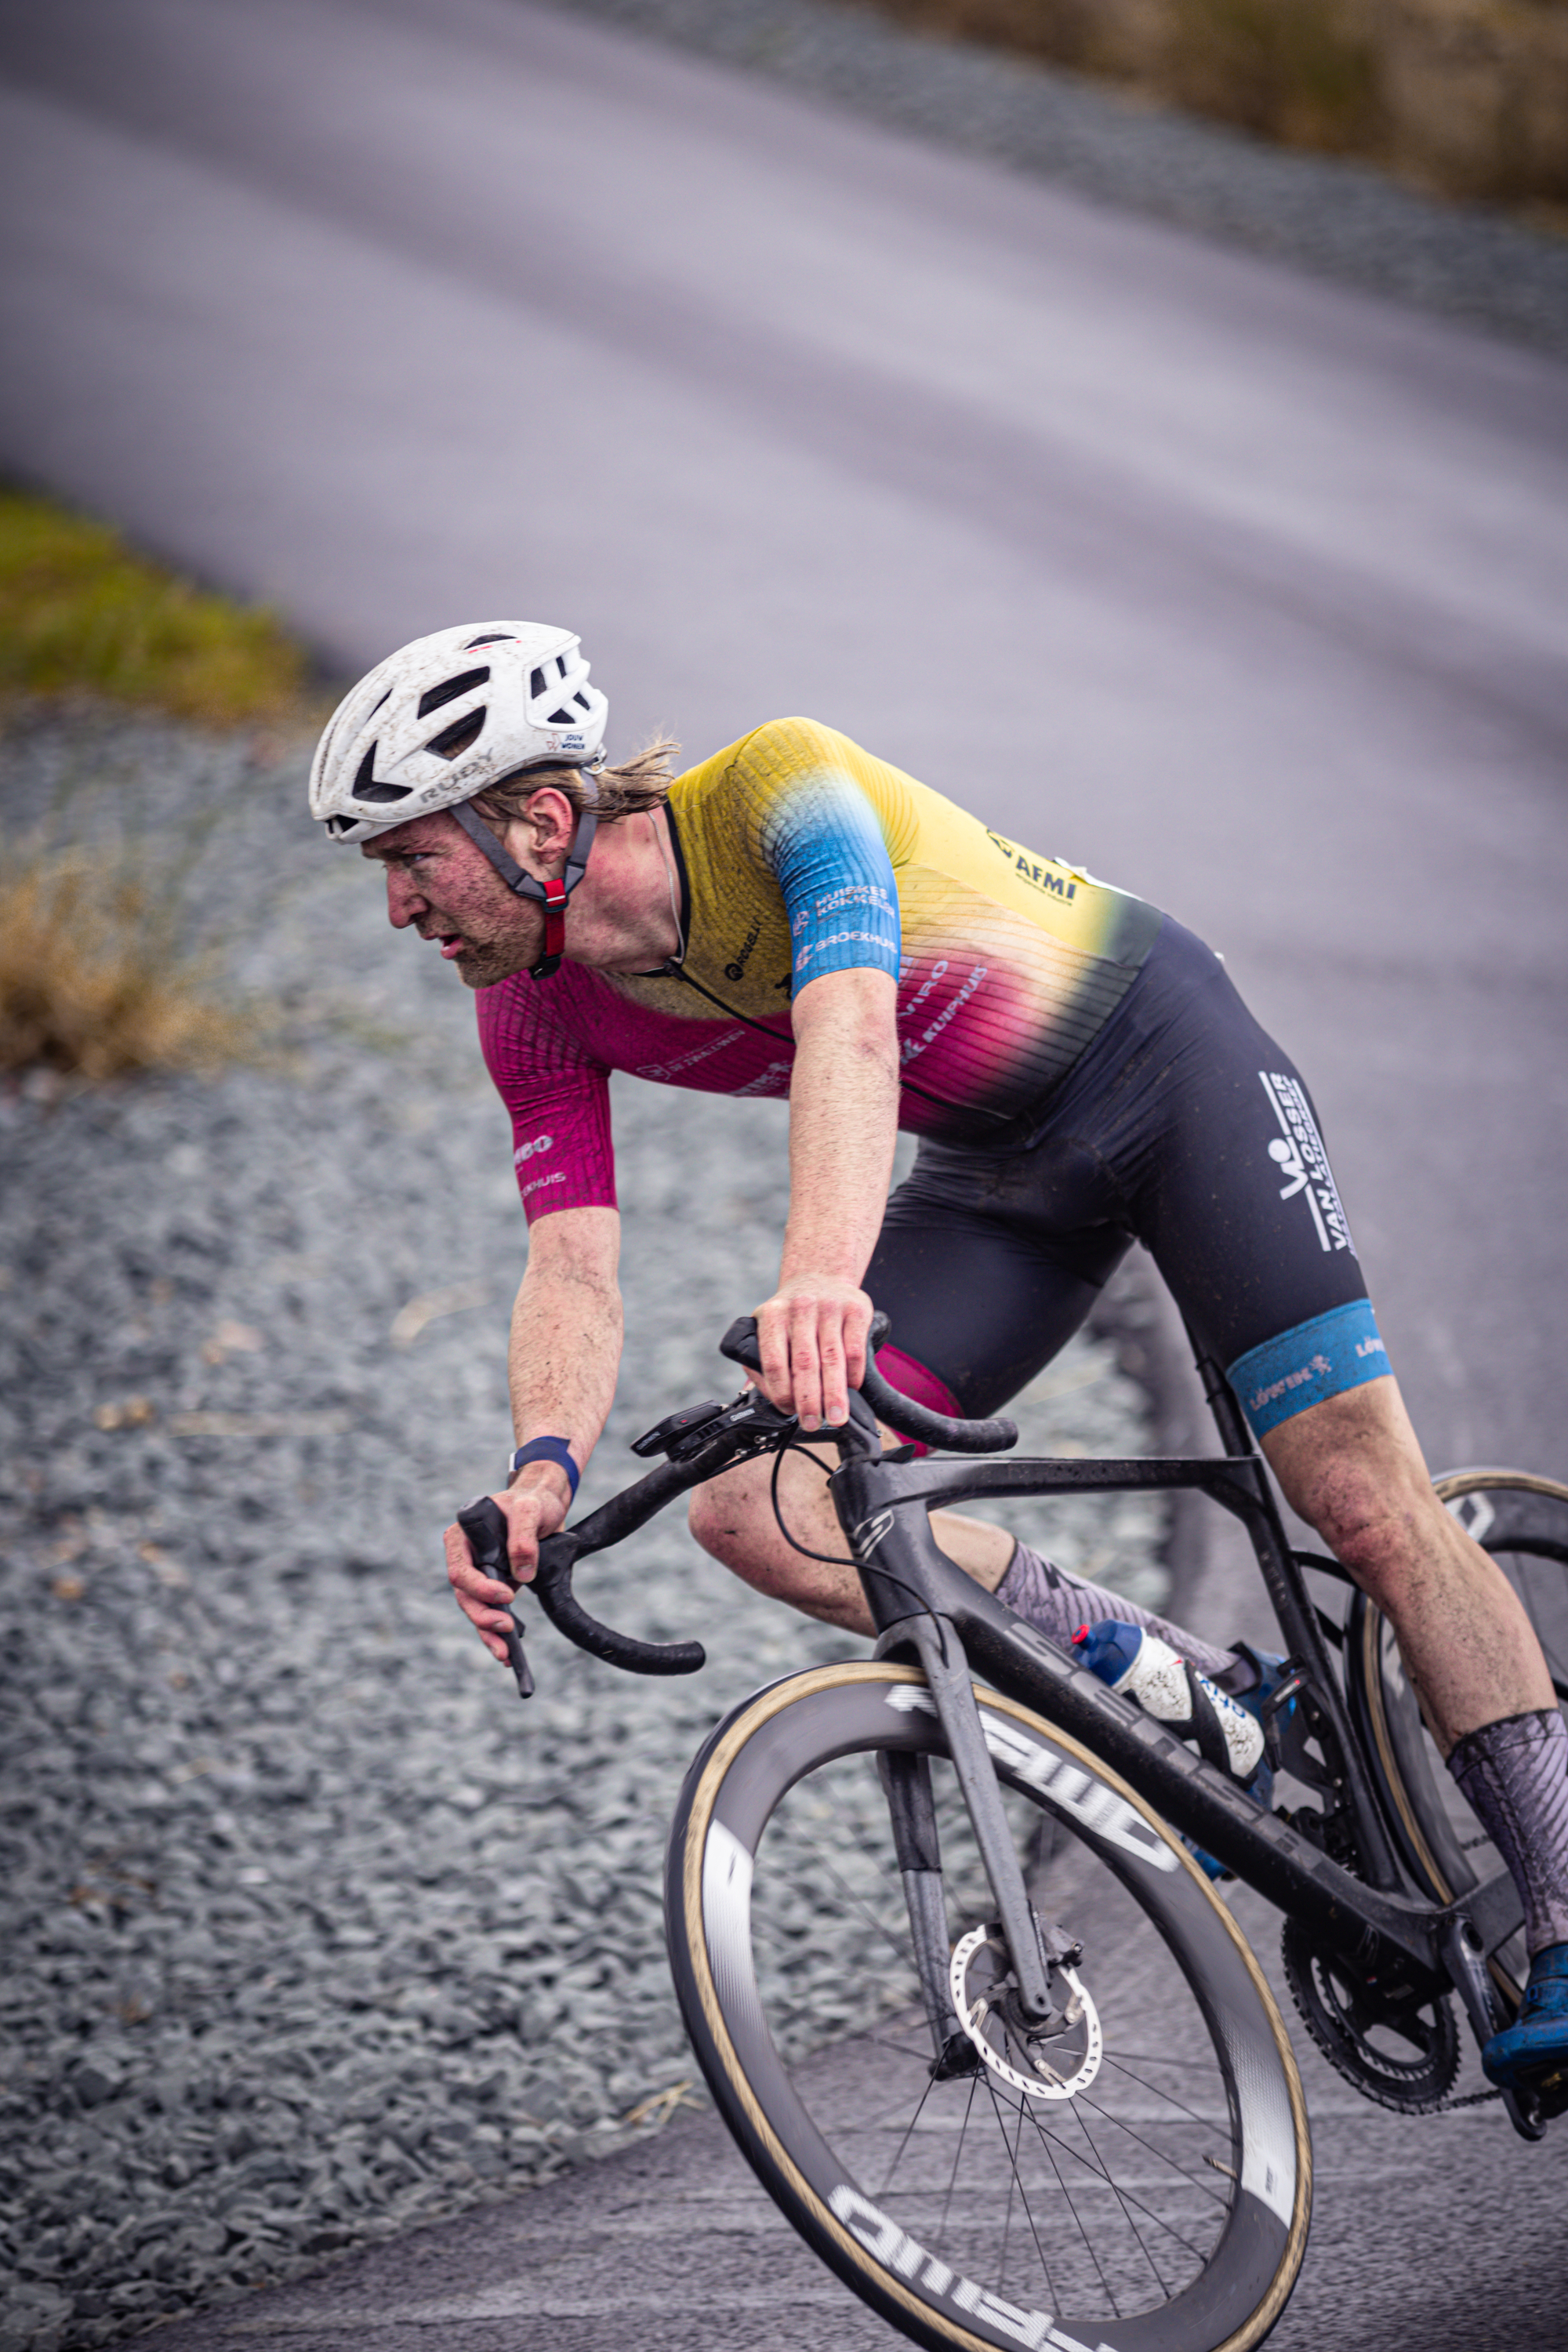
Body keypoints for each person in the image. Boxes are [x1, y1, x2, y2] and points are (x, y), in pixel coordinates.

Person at [309, 619, 1568, 2094]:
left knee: (1360, 1499)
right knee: (763, 1507)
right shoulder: (522, 1002)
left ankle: (1560, 1915)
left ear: (537, 820)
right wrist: (536, 1471)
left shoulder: (783, 791)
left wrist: (820, 1285)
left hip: (1172, 1069)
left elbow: (852, 1034)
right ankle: (1219, 1706)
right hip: (1004, 1174)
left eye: (412, 860)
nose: (399, 909)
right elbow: (572, 1258)